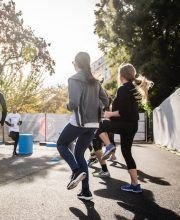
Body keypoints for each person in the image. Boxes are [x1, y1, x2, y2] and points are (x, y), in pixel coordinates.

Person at [56, 52, 108, 201]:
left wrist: (67, 105)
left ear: (77, 63)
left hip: (80, 122)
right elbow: (105, 100)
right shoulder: (96, 81)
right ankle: (86, 192)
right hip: (94, 124)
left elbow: (73, 104)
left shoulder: (74, 79)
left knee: (61, 144)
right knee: (79, 154)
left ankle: (76, 170)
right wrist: (97, 110)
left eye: (73, 62)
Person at [96, 63, 153, 193]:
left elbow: (122, 112)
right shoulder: (133, 88)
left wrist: (109, 114)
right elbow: (127, 111)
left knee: (99, 126)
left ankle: (109, 146)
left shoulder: (123, 89)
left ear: (121, 75)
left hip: (125, 124)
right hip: (132, 125)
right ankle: (135, 184)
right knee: (127, 153)